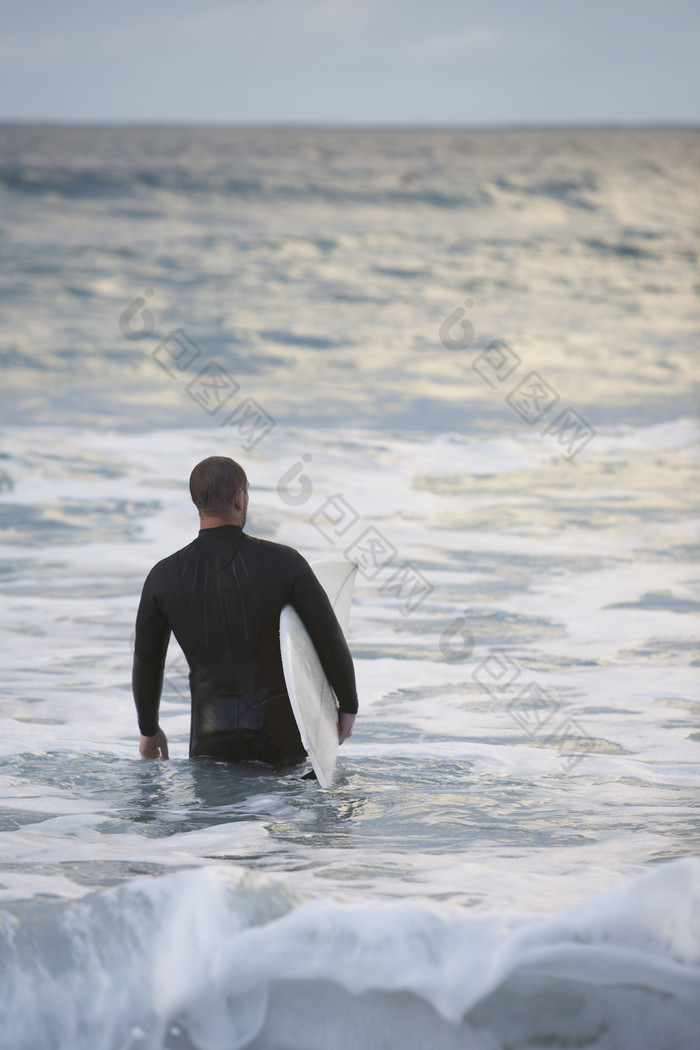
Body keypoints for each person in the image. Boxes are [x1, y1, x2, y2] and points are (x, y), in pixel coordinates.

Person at [132, 456, 358, 768]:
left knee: (219, 815)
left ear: (195, 500)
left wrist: (149, 730)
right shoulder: (285, 563)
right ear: (241, 497)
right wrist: (347, 705)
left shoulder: (163, 577)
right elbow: (328, 638)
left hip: (209, 739)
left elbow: (147, 660)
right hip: (279, 739)